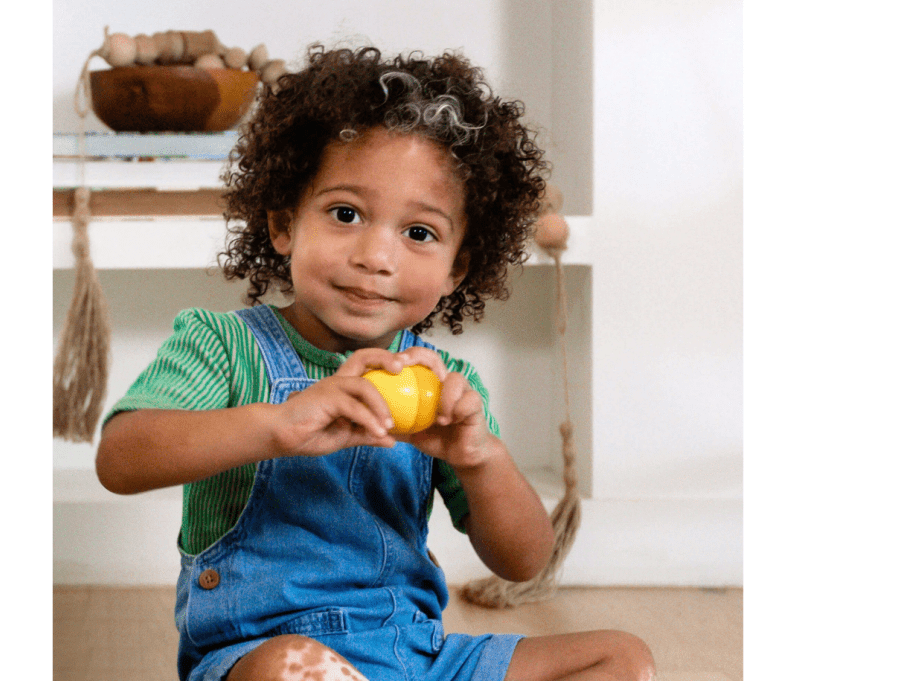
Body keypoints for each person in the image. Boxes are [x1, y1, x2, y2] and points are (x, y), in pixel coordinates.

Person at [96, 45, 655, 681]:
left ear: (457, 268)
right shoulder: (222, 346)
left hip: (418, 657)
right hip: (262, 656)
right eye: (345, 214)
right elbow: (121, 458)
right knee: (291, 665)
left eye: (419, 233)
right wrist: (281, 423)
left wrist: (481, 459)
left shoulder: (447, 387)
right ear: (284, 225)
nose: (376, 256)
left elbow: (524, 561)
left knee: (621, 656)